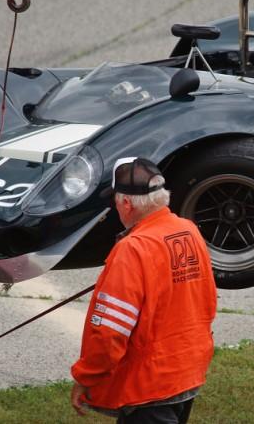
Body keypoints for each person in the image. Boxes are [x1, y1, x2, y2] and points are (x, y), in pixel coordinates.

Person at [70, 157, 217, 424]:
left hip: (150, 384)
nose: (115, 206)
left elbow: (109, 331)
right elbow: (208, 302)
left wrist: (87, 376)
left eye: (114, 200)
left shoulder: (132, 249)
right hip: (187, 371)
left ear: (126, 203)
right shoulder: (188, 230)